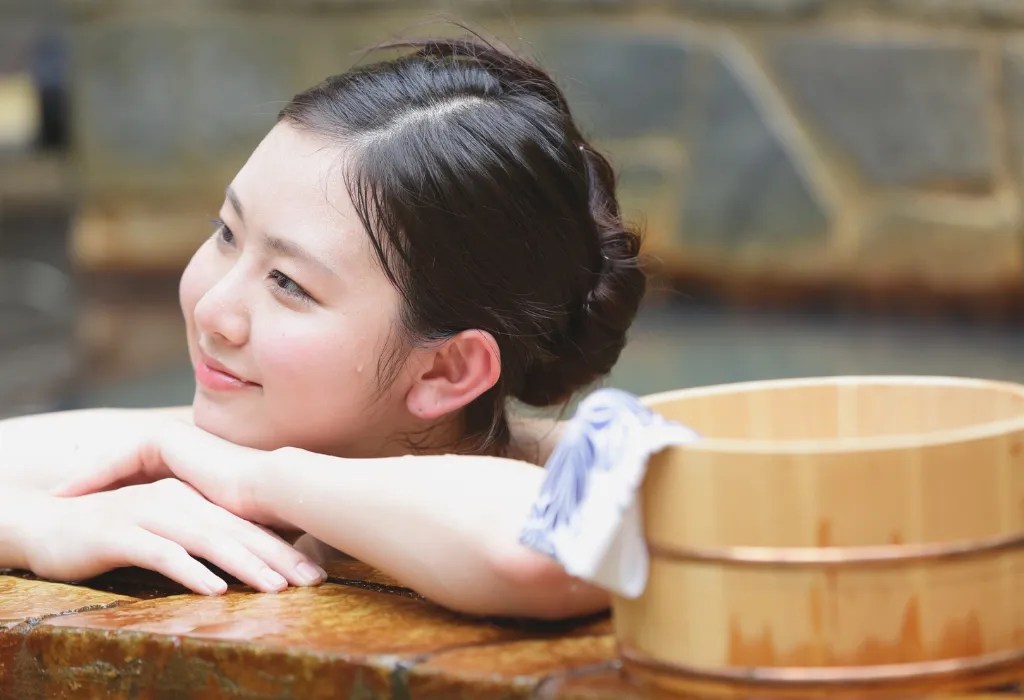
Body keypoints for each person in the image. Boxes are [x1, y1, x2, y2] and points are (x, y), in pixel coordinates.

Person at [0, 35, 646, 621]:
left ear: (445, 370)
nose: (213, 310)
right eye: (226, 232)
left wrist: (258, 482)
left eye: (288, 283)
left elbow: (552, 547)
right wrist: (43, 528)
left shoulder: (607, 466)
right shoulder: (192, 446)